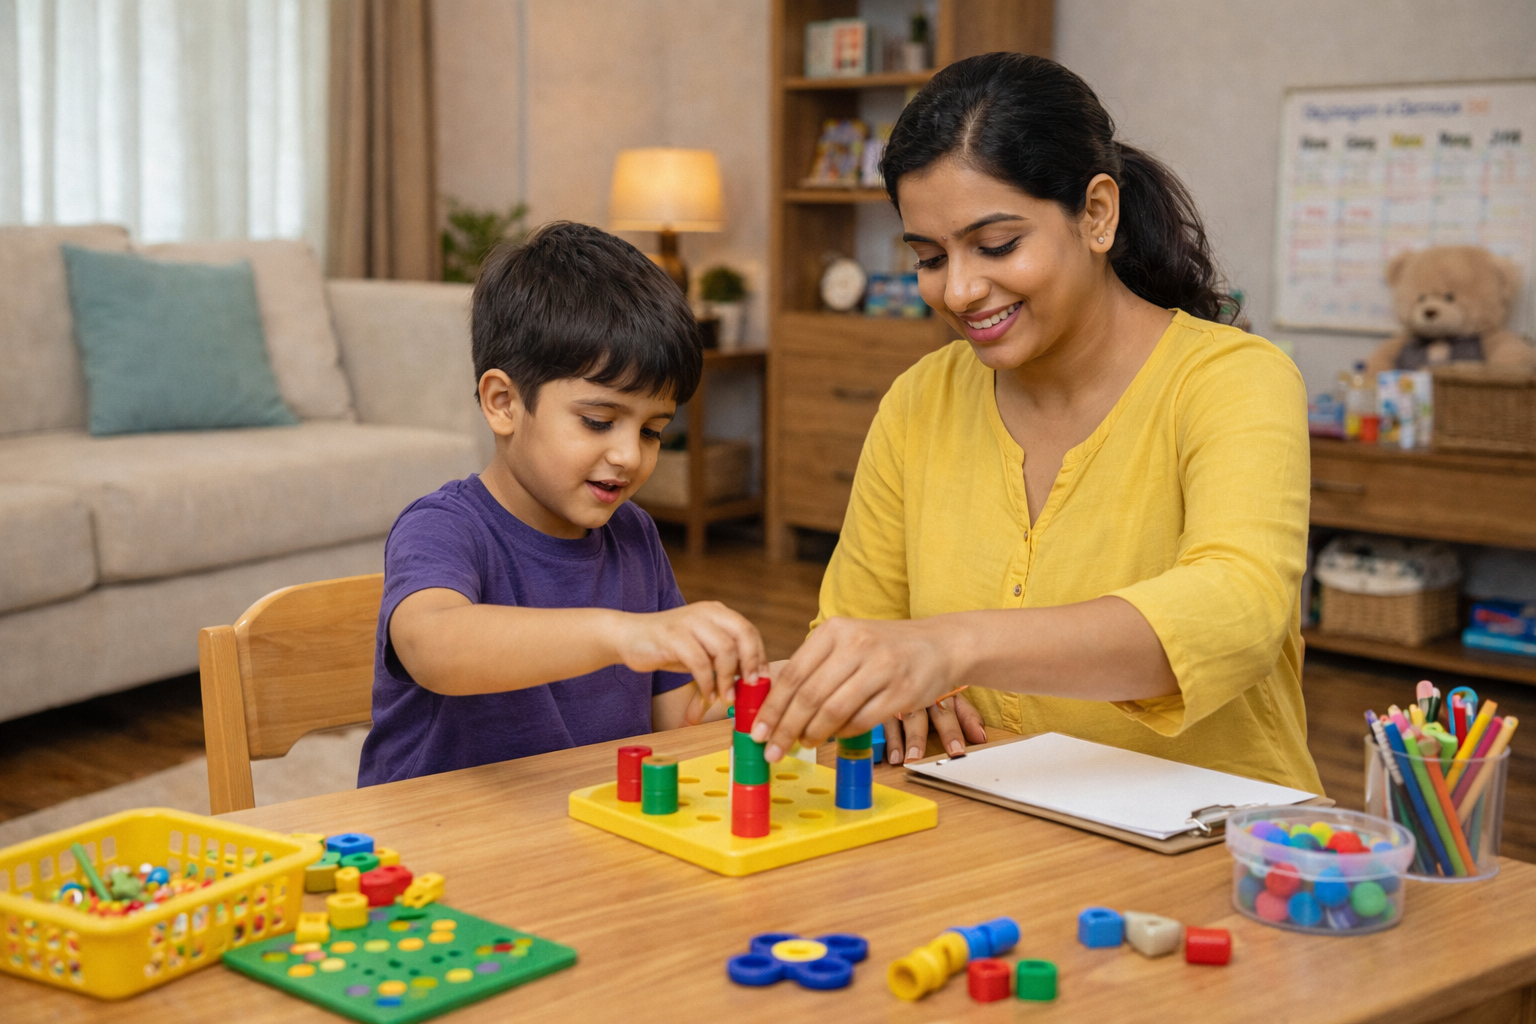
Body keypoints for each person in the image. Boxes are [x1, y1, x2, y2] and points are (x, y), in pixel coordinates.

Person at [750, 53, 1321, 792]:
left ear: (1097, 213)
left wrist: (949, 648)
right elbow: (852, 629)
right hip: (978, 818)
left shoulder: (1234, 380)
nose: (958, 290)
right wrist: (883, 690)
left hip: (1214, 838)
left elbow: (1236, 609)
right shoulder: (920, 399)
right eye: (928, 257)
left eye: (996, 247)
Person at [358, 222, 764, 786]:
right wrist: (621, 634)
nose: (628, 455)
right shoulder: (444, 528)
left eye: (652, 431)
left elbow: (672, 715)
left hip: (583, 839)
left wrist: (771, 691)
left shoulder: (634, 534)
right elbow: (432, 646)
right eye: (598, 421)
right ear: (503, 403)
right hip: (437, 852)